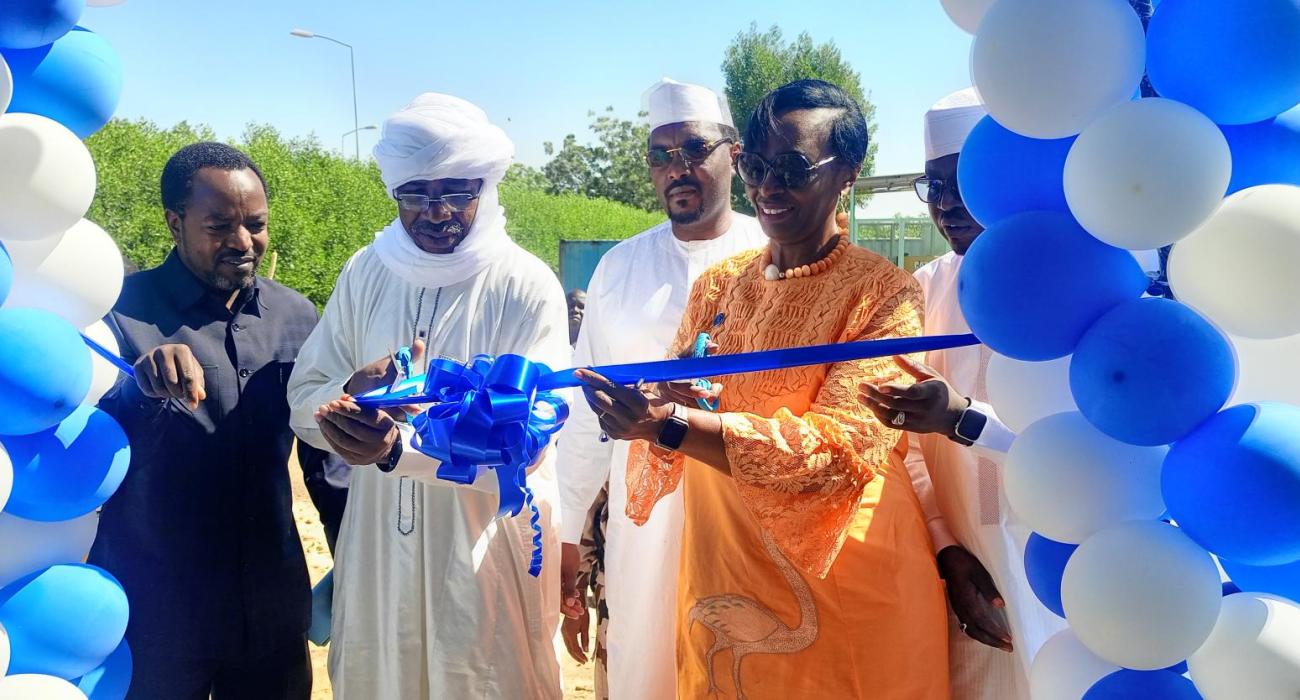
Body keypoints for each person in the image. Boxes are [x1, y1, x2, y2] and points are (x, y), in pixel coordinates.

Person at [577, 79, 949, 699]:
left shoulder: (883, 295)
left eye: (794, 167)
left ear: (848, 174)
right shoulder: (719, 288)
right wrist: (653, 416)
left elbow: (837, 450)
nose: (769, 187)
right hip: (722, 565)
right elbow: (675, 417)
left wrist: (668, 425)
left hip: (845, 579)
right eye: (758, 165)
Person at [286, 93, 569, 699]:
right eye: (414, 193)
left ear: (485, 188)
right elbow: (305, 395)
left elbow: (527, 437)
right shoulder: (367, 271)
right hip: (377, 552)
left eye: (455, 192)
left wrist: (397, 448)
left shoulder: (524, 283)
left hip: (481, 552)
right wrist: (349, 402)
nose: (434, 212)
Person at [90, 142, 344, 699]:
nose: (243, 242)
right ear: (174, 222)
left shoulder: (298, 317)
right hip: (157, 610)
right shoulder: (118, 313)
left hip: (270, 610)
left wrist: (354, 556)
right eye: (220, 225)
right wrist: (139, 387)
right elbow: (85, 445)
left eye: (256, 224)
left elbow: (325, 461)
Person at [556, 77, 766, 699]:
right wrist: (570, 532)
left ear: (734, 154)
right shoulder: (620, 267)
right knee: (645, 666)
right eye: (661, 155)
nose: (678, 168)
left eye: (694, 149)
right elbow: (582, 416)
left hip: (746, 513)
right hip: (641, 525)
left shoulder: (774, 251)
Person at [858, 87, 1066, 699]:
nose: (945, 206)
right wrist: (947, 549)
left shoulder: (1069, 280)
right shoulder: (924, 290)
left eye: (963, 183)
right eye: (933, 187)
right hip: (961, 568)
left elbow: (1080, 444)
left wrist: (965, 420)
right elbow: (909, 449)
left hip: (1061, 567)